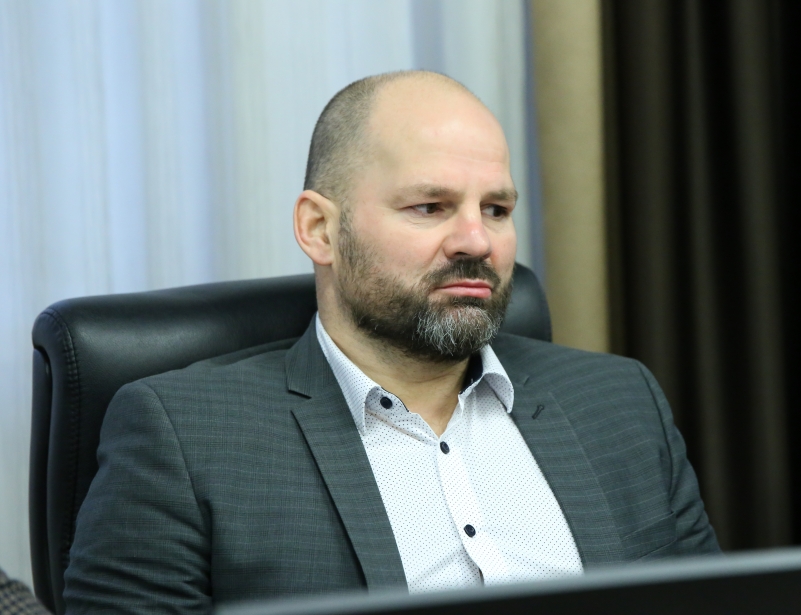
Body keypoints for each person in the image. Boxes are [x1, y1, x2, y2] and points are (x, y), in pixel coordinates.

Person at [64, 71, 719, 613]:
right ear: (319, 229)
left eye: (496, 209)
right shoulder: (184, 438)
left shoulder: (620, 401)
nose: (476, 240)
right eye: (429, 207)